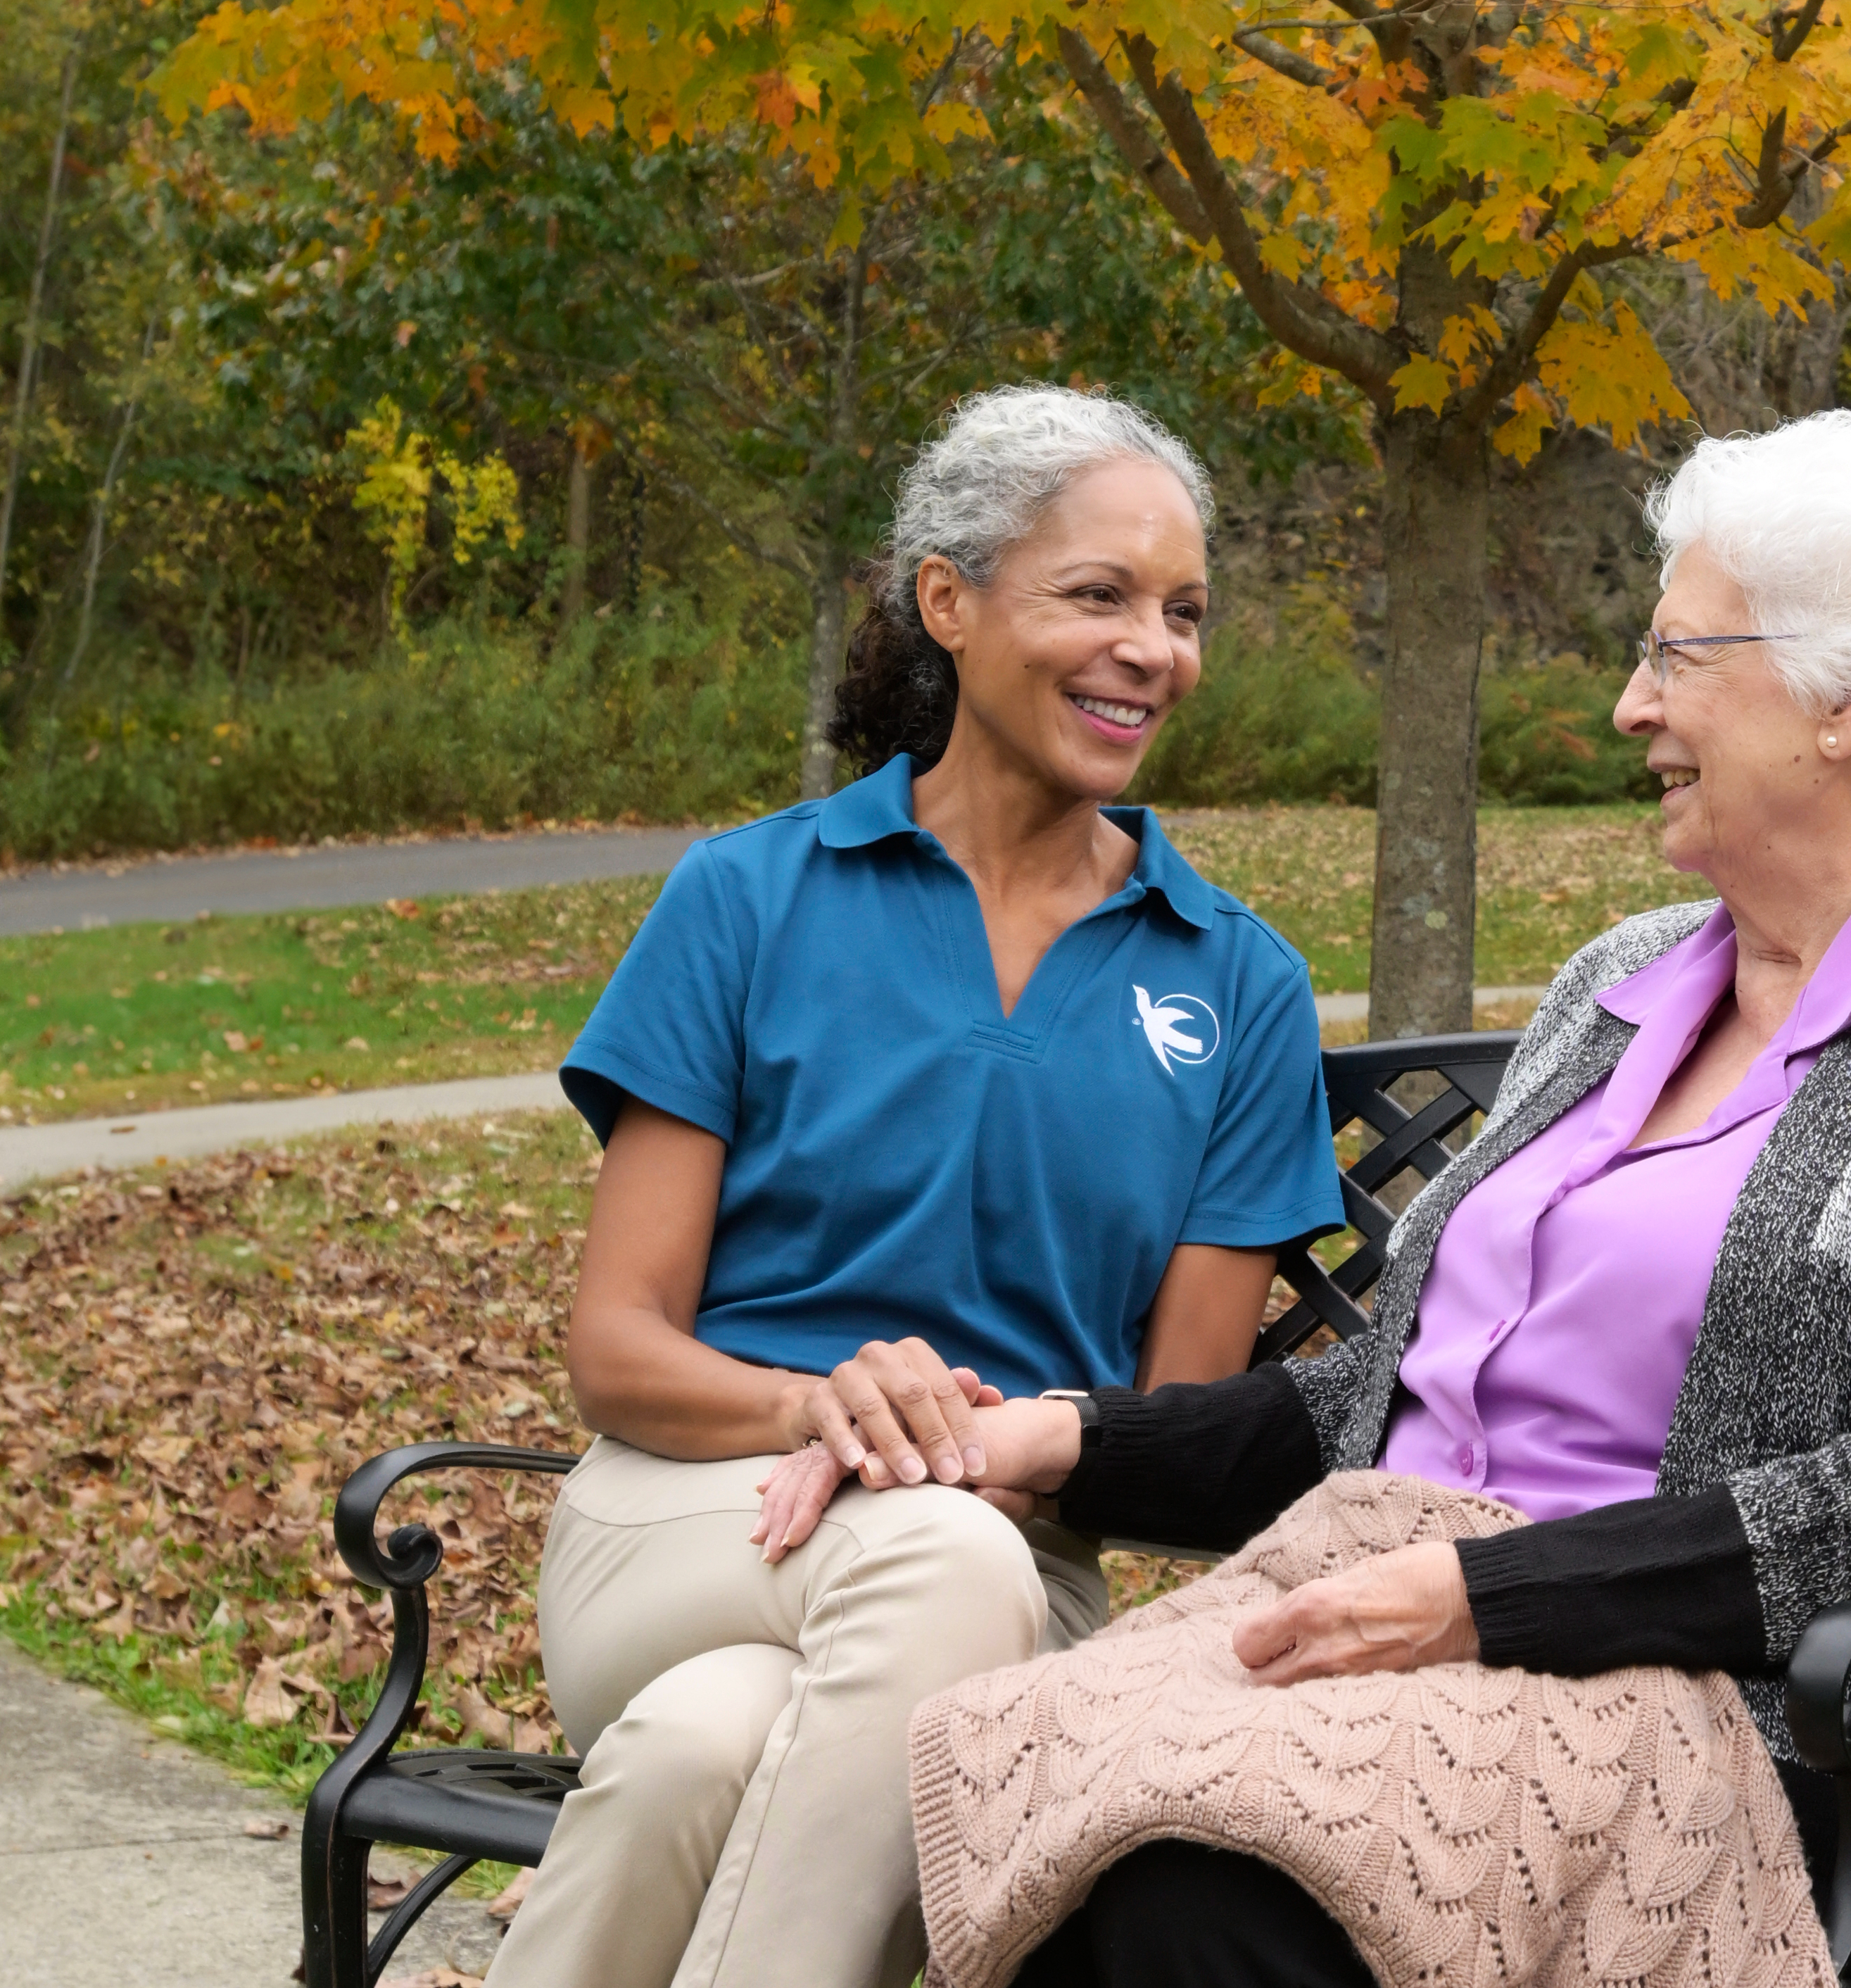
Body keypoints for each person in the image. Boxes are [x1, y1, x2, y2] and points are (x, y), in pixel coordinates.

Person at [783, 410, 1851, 1988]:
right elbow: (1387, 1410)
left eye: (1677, 658)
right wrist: (1065, 1438)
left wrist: (1488, 1599)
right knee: (1040, 1798)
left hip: (1829, 1748)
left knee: (1199, 1885)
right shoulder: (1619, 986)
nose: (1628, 704)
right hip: (1436, 1652)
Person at [486, 386, 1342, 1988]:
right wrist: (833, 1408)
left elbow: (1176, 1419)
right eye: (1096, 595)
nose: (1152, 648)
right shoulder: (748, 897)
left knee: (699, 1749)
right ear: (948, 604)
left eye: (1183, 610)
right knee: (919, 1560)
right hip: (688, 1519)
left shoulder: (1238, 983)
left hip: (1027, 1573)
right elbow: (618, 1352)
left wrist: (963, 1453)